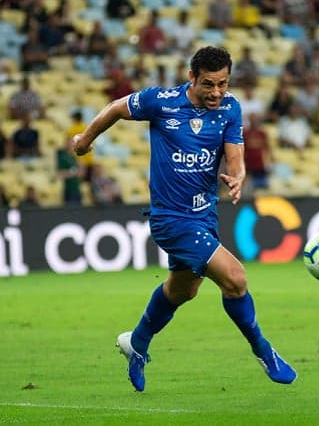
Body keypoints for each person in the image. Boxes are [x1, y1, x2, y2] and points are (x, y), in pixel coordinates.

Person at [73, 46, 297, 392]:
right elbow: (117, 107)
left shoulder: (230, 109)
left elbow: (235, 156)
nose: (217, 92)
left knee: (182, 290)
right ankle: (264, 350)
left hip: (204, 215)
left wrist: (237, 176)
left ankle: (137, 342)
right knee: (235, 278)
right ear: (191, 77)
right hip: (170, 219)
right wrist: (85, 140)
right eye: (209, 84)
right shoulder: (161, 102)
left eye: (223, 83)